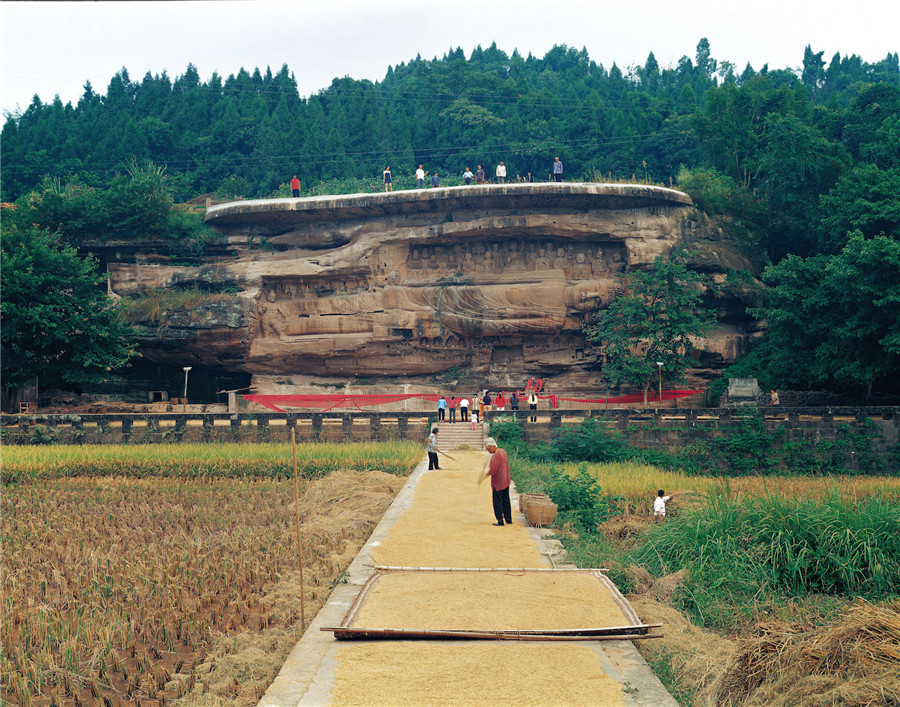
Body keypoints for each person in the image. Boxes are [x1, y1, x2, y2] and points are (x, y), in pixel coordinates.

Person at [480, 437, 512, 526]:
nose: (489, 451)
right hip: (506, 480)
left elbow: (493, 470)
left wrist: (486, 475)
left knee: (497, 502)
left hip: (498, 482)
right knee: (506, 500)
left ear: (493, 446)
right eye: (487, 449)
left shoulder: (496, 455)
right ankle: (508, 519)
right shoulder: (503, 451)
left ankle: (500, 521)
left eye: (489, 449)